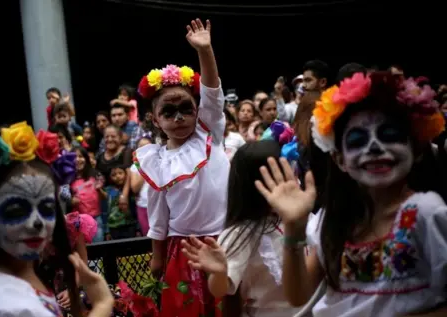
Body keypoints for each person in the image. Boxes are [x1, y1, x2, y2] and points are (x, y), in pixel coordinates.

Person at [255, 72, 447, 317]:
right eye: (357, 140)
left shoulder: (426, 212)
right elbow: (298, 295)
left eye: (389, 135)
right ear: (339, 159)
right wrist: (294, 228)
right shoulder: (335, 218)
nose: (375, 147)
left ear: (417, 148)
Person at [0, 122, 113, 317]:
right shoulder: (6, 302)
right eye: (17, 211)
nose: (37, 222)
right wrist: (103, 304)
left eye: (47, 208)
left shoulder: (22, 281)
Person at [134, 19, 228, 316]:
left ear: (197, 110)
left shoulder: (208, 132)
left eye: (186, 108)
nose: (179, 118)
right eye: (169, 111)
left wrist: (205, 50)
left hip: (225, 242)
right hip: (182, 251)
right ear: (155, 119)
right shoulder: (155, 161)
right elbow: (158, 216)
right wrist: (157, 259)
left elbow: (212, 91)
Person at [181, 141, 303, 317]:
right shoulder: (240, 233)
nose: (295, 181)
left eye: (293, 172)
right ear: (259, 185)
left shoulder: (301, 217)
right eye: (283, 175)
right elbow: (221, 290)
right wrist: (220, 273)